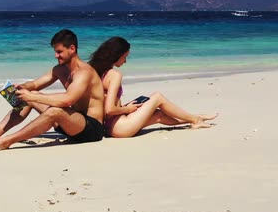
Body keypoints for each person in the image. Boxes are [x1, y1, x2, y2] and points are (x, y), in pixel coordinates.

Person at [0, 29, 105, 152]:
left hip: (90, 129)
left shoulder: (84, 72)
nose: (56, 56)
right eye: (55, 52)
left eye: (59, 52)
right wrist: (22, 88)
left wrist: (32, 97)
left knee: (53, 109)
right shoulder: (59, 69)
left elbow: (69, 99)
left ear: (72, 49)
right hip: (70, 124)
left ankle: (6, 141)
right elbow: (35, 84)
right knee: (31, 94)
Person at [88, 36, 217, 138]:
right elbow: (110, 109)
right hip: (120, 127)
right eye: (125, 57)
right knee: (157, 97)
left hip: (109, 126)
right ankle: (195, 119)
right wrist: (128, 109)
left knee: (158, 115)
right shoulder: (114, 75)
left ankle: (194, 119)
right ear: (116, 55)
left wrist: (126, 106)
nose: (125, 61)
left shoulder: (97, 72)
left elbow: (105, 106)